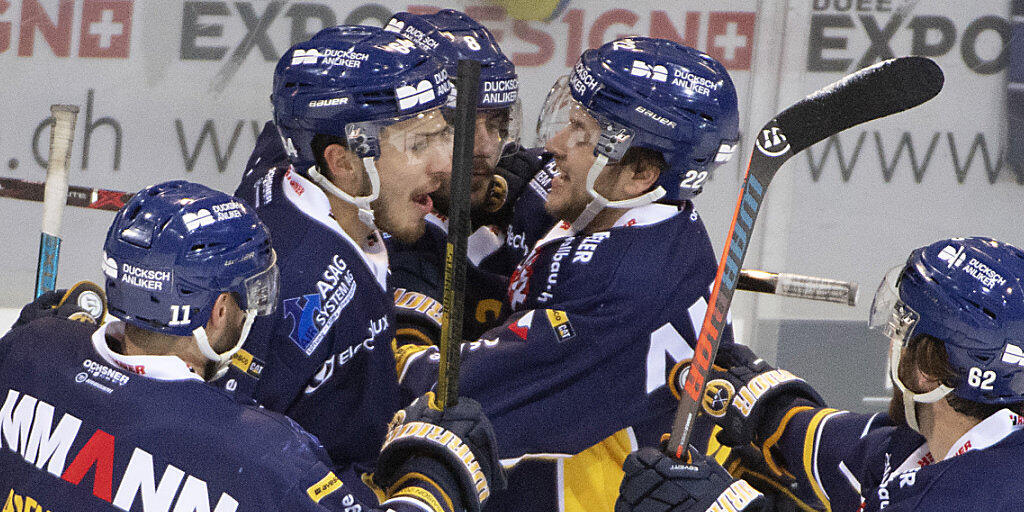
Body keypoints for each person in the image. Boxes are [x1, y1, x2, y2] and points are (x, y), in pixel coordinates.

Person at [0, 180, 503, 512]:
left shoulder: (30, 350)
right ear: (219, 311)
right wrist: (434, 476)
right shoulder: (266, 457)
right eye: (253, 293)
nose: (257, 309)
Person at [396, 37, 744, 512]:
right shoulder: (635, 217)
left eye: (580, 132)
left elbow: (445, 395)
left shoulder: (619, 287)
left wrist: (401, 318)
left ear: (641, 171)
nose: (554, 145)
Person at [615, 236, 1024, 512]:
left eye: (901, 328)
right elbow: (859, 455)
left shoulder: (965, 497)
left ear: (928, 371)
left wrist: (726, 506)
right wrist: (769, 405)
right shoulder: (962, 448)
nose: (891, 340)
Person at [229, 25, 453, 468]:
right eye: (418, 144)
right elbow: (232, 459)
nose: (444, 165)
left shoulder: (296, 153)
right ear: (343, 162)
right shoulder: (294, 288)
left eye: (442, 135)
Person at [381, 8, 540, 344]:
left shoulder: (522, 178)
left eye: (496, 123)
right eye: (456, 125)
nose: (484, 147)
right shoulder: (377, 230)